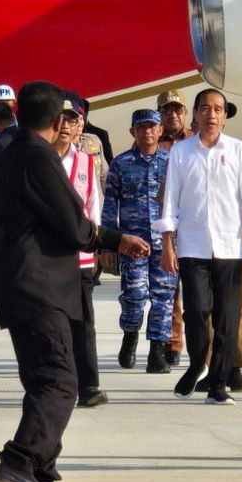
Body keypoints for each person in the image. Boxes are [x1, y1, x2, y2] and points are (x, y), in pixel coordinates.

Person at [0, 81, 149, 482]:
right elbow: (76, 225)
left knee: (43, 381)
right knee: (61, 381)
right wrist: (116, 239)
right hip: (40, 285)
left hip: (16, 281)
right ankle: (20, 461)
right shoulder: (40, 158)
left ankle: (37, 480)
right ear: (59, 120)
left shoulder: (4, 154)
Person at [157, 88, 242, 404]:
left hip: (230, 247)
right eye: (205, 109)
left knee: (227, 318)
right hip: (192, 246)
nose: (212, 115)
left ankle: (218, 385)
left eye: (218, 109)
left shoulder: (237, 150)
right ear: (195, 113)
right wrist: (168, 243)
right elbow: (170, 201)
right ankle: (197, 363)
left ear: (224, 115)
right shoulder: (181, 152)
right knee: (197, 311)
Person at [102, 109, 178, 374]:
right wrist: (110, 243)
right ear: (132, 132)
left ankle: (157, 351)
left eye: (152, 127)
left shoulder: (172, 163)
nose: (147, 132)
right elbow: (110, 205)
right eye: (141, 127)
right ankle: (130, 335)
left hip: (166, 243)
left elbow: (181, 204)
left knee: (163, 297)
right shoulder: (121, 164)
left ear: (160, 131)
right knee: (134, 295)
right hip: (132, 243)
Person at [52, 98, 108, 407]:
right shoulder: (41, 160)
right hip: (47, 259)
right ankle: (58, 384)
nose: (65, 125)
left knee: (84, 323)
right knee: (53, 325)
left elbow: (93, 208)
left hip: (81, 258)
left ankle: (89, 386)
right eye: (60, 119)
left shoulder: (87, 161)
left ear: (78, 126)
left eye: (71, 120)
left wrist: (96, 244)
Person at [157, 90, 192, 366]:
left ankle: (203, 345)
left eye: (177, 109)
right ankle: (172, 343)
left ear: (185, 112)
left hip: (193, 223)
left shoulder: (195, 141)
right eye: (167, 109)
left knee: (198, 291)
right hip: (165, 223)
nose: (173, 114)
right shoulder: (153, 142)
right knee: (169, 289)